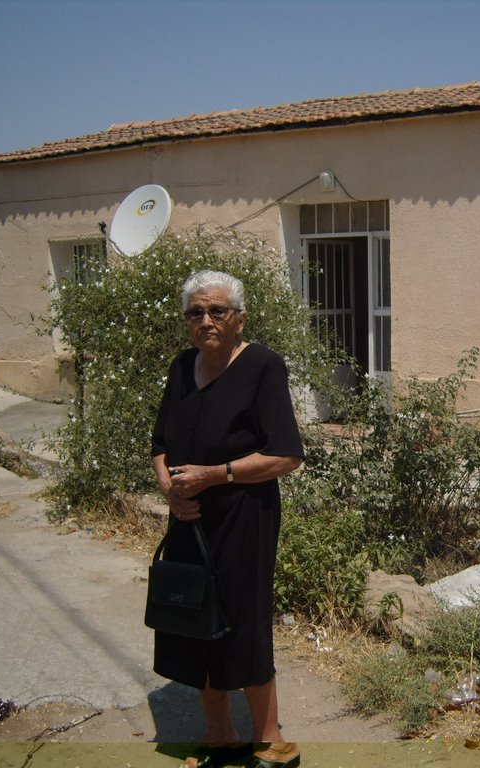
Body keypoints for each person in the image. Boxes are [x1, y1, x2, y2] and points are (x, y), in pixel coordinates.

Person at [151, 269, 304, 768]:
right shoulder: (181, 368)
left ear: (239, 318)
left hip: (244, 516)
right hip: (188, 518)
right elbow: (159, 446)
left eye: (217, 310)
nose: (206, 320)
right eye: (196, 312)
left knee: (243, 622)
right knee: (193, 620)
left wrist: (215, 475)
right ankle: (219, 735)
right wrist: (171, 488)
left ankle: (271, 741)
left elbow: (285, 456)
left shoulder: (262, 366)